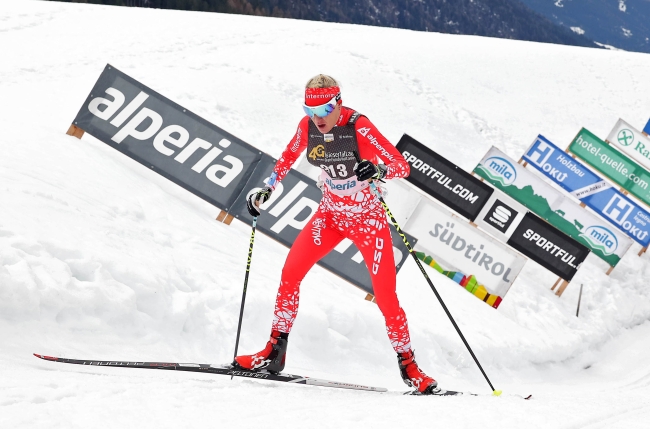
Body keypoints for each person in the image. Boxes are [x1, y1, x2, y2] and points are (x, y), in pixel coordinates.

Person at [232, 74, 438, 394]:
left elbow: (401, 166)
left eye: (325, 109)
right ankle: (274, 352)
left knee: (386, 296)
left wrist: (380, 170)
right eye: (309, 109)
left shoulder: (359, 126)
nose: (318, 117)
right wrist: (267, 188)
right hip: (329, 217)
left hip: (368, 222)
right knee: (290, 273)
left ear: (338, 103)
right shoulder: (308, 127)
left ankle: (409, 366)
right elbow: (287, 157)